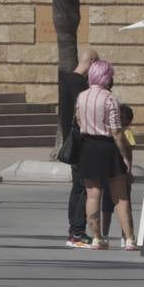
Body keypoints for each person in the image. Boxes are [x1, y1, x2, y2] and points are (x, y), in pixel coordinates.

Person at [73, 60, 138, 251]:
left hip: (88, 147)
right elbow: (116, 131)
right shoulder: (110, 99)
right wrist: (125, 157)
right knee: (120, 197)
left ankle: (96, 238)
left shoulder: (82, 97)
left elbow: (78, 119)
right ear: (106, 77)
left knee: (92, 195)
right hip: (108, 147)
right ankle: (129, 239)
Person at [58, 47, 98, 248]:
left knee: (77, 188)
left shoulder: (67, 80)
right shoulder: (79, 83)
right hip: (80, 142)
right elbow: (82, 111)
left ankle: (74, 231)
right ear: (91, 63)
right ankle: (78, 232)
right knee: (83, 188)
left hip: (71, 140)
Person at [100, 103, 136, 244]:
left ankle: (123, 235)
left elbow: (129, 153)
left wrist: (129, 170)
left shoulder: (126, 132)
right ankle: (107, 234)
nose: (118, 119)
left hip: (120, 172)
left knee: (122, 206)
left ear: (128, 121)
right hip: (111, 172)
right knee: (108, 207)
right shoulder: (111, 131)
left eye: (121, 117)